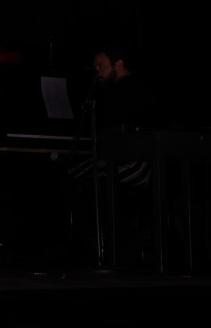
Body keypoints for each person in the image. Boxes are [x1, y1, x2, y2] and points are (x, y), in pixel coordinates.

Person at [65, 44, 161, 269]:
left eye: (102, 66)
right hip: (121, 157)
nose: (97, 71)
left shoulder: (132, 89)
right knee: (79, 178)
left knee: (83, 180)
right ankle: (102, 245)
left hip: (138, 161)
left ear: (118, 64)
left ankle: (114, 246)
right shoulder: (113, 91)